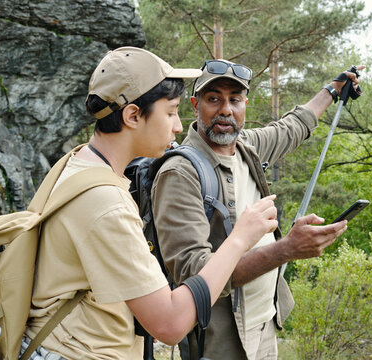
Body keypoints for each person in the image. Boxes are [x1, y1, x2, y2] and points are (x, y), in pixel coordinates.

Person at [20, 47, 278, 360]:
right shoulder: (107, 204)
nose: (178, 126)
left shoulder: (74, 164)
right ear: (132, 116)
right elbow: (170, 324)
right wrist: (240, 239)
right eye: (170, 112)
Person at [151, 58, 364, 359]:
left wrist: (332, 89)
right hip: (222, 340)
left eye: (234, 100)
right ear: (195, 105)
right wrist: (286, 249)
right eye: (214, 99)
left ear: (245, 105)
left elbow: (294, 126)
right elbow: (194, 275)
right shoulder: (180, 173)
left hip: (266, 324)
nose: (226, 109)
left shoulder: (246, 147)